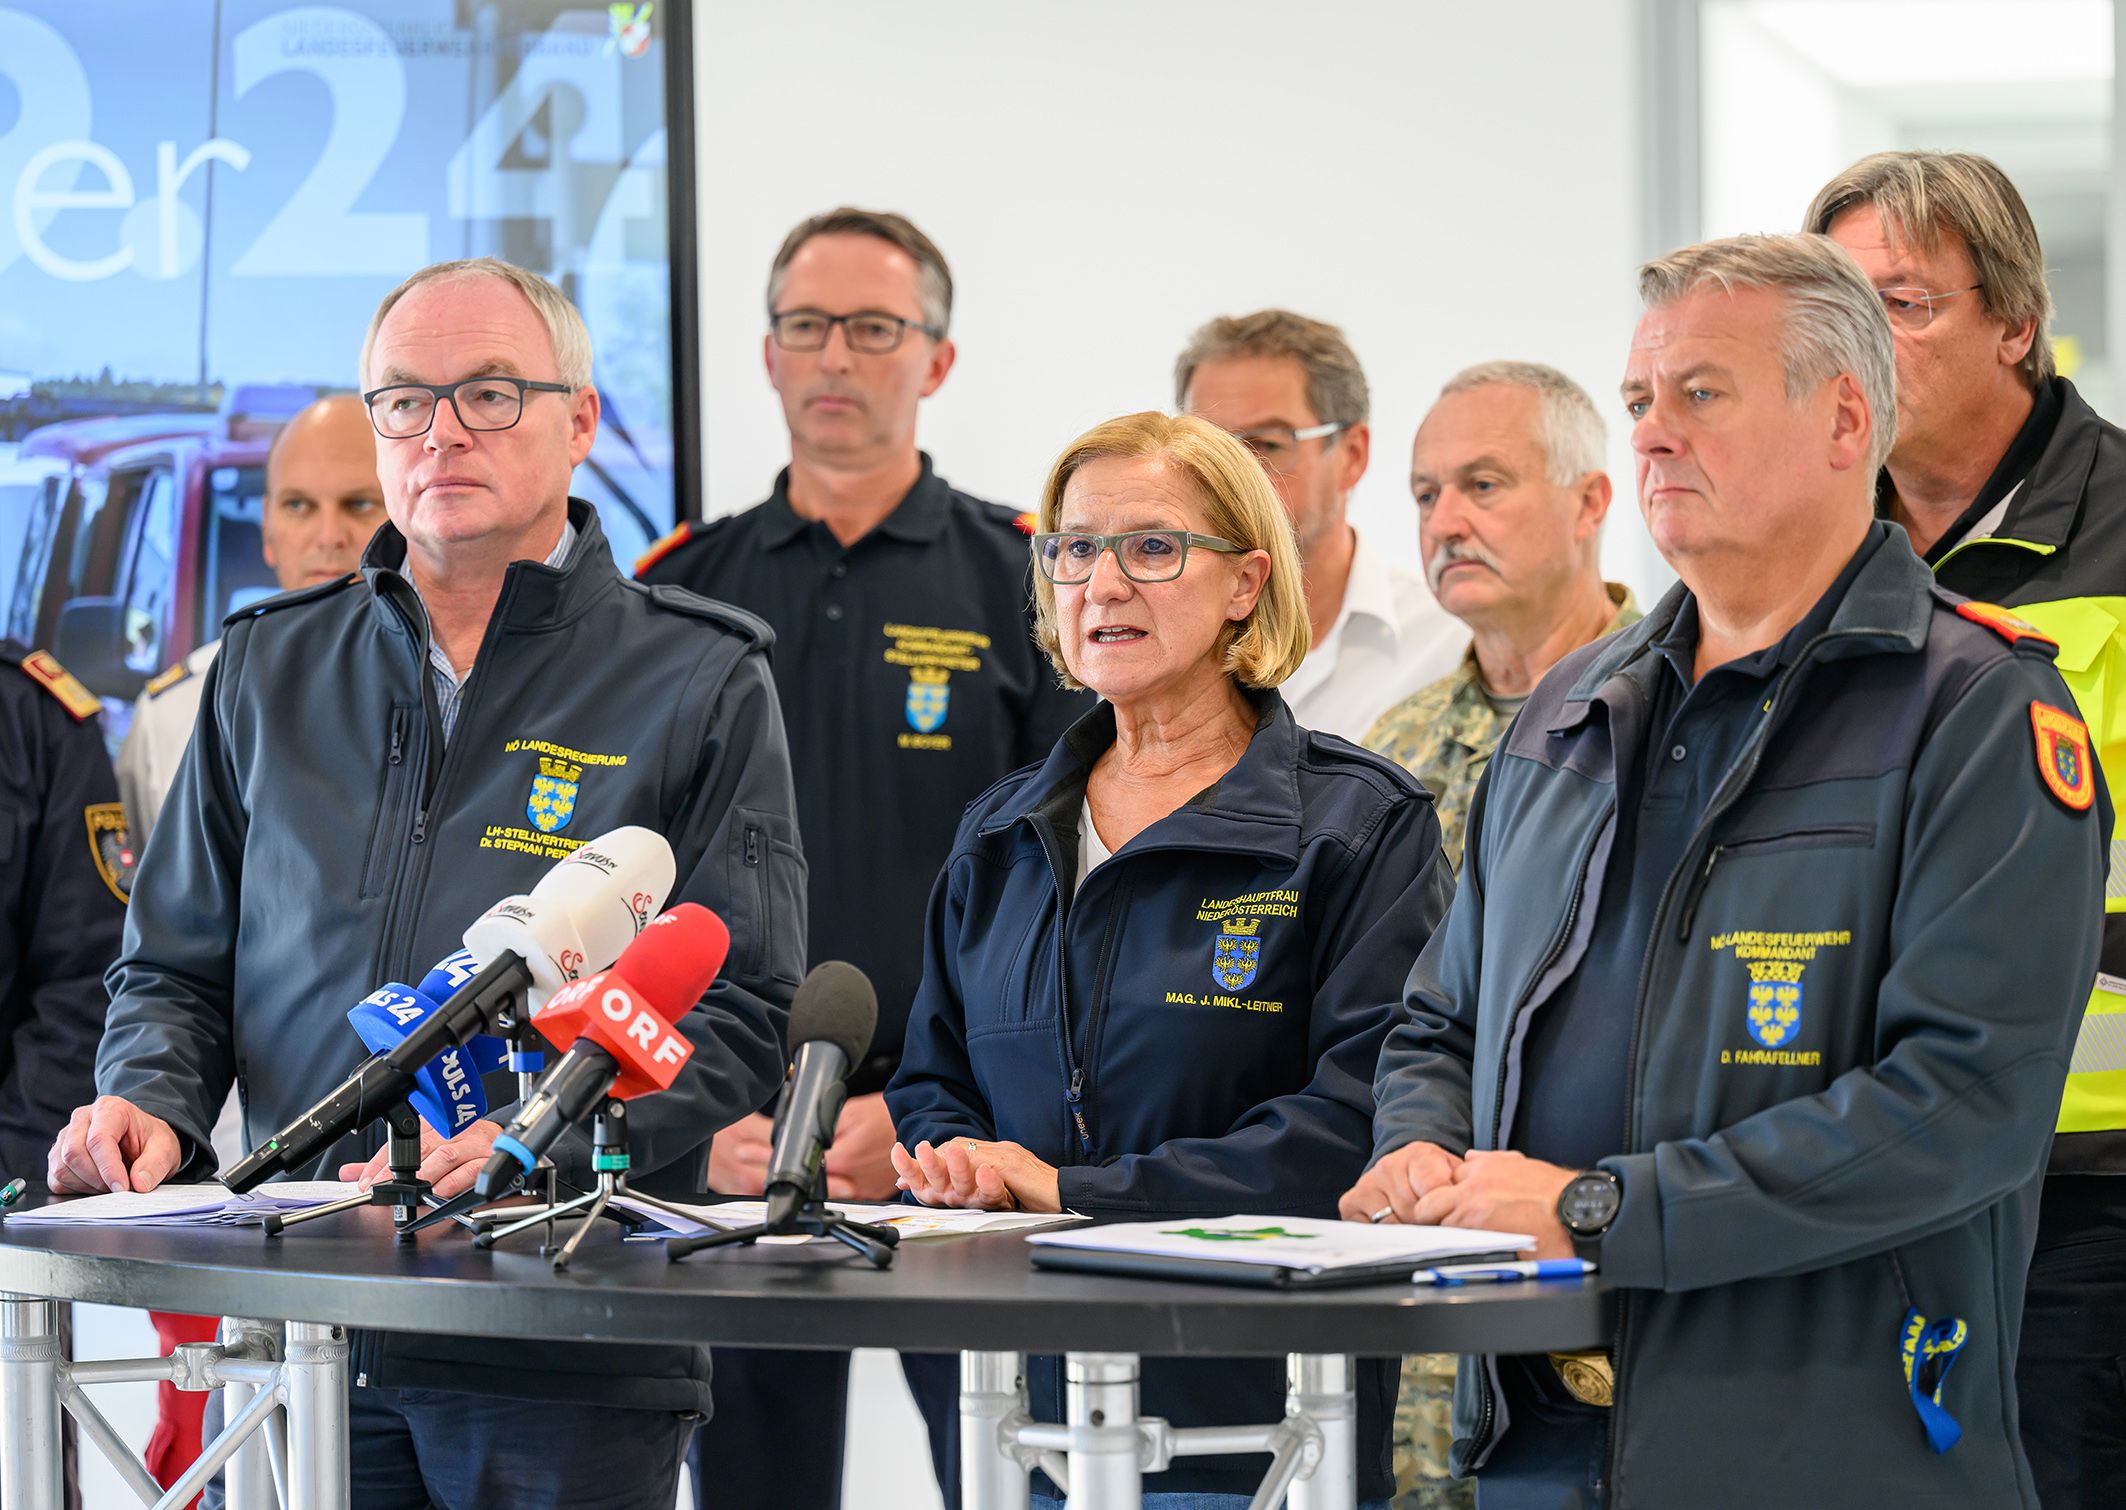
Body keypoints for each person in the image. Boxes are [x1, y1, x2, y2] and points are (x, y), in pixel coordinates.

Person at [1344, 233, 2107, 1508]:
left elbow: (1960, 1105)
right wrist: (1420, 1147)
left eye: (1701, 393)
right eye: (1639, 399)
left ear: (1841, 420)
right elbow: (1440, 1019)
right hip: (1533, 1443)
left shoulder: (1974, 712)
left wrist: (1600, 1208)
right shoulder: (1563, 713)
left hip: (1828, 1448)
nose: (1648, 434)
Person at [47, 256, 803, 1510]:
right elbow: (173, 966)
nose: (441, 429)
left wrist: (537, 1139)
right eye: (405, 399)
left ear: (580, 421)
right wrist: (151, 1102)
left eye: (490, 393)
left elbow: (734, 1007)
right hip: (303, 1322)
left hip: (561, 1331)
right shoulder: (266, 670)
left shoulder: (699, 680)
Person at [888, 411, 1455, 1508]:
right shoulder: (1000, 833)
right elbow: (931, 1079)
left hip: (1267, 1427)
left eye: (1151, 547)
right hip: (1021, 1419)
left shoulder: (1354, 826)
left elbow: (1352, 1124)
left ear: (1244, 583)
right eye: (1072, 549)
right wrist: (950, 1159)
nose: (1101, 582)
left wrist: (1070, 1189)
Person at [636, 206, 1087, 1508]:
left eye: (873, 328)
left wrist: (939, 1112)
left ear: (934, 359)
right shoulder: (679, 588)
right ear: (767, 354)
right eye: (805, 326)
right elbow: (630, 888)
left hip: (958, 1144)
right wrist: (693, 1110)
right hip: (733, 1138)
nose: (836, 356)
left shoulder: (1034, 579)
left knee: (1013, 1482)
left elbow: (1070, 891)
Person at [1805, 151, 2126, 1510]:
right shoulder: (1800, 546)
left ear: (2016, 324)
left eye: (1904, 305)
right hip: (1846, 1176)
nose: (1863, 349)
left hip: (2085, 1189)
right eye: (1835, 312)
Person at [1361, 360, 1638, 1510]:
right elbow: (1385, 1013)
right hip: (1418, 1295)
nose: (1445, 521)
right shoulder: (1395, 744)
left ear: (1588, 503)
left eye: (1482, 483)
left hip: (1609, 1272)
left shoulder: (1671, 713)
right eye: (1425, 493)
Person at [1178, 310, 1464, 740]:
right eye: (1209, 450)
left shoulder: (1450, 644)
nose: (1230, 479)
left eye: (1268, 445)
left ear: (1352, 455)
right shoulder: (1142, 637)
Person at [117, 395, 386, 847]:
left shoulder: (453, 704)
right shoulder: (174, 717)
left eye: (359, 505)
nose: (328, 537)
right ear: (267, 528)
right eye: (298, 506)